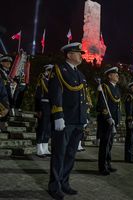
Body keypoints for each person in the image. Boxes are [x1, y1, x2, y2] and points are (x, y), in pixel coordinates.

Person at [48, 42, 88, 200]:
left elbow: (83, 98)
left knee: (71, 154)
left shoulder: (80, 74)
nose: (81, 56)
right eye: (78, 53)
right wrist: (58, 115)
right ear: (69, 55)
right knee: (59, 154)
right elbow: (55, 93)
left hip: (77, 120)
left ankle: (64, 182)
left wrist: (84, 117)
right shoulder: (59, 70)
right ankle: (54, 186)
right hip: (65, 120)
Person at [97, 66, 121, 176]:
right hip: (107, 120)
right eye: (115, 74)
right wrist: (107, 117)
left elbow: (117, 106)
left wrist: (117, 119)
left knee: (110, 144)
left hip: (113, 120)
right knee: (105, 144)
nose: (117, 75)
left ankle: (108, 163)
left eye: (117, 74)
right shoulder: (104, 87)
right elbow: (102, 103)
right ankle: (102, 167)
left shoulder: (116, 88)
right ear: (109, 76)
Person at [35, 64, 53, 157]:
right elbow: (37, 96)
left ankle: (45, 147)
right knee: (42, 128)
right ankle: (39, 148)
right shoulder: (42, 81)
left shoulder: (52, 82)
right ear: (46, 71)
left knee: (48, 129)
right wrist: (38, 109)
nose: (50, 73)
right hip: (43, 106)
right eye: (49, 71)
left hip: (51, 107)